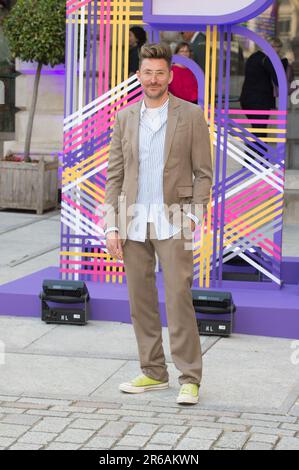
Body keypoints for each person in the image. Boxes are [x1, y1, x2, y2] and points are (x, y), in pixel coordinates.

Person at [104, 43, 212, 405]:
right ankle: (152, 372)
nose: (153, 79)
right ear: (139, 75)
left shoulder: (192, 115)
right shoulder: (124, 118)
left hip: (176, 218)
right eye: (147, 72)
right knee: (141, 300)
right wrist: (111, 225)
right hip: (133, 220)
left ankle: (190, 377)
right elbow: (114, 177)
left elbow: (203, 173)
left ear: (169, 76)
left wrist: (194, 215)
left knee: (179, 296)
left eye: (160, 73)